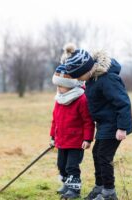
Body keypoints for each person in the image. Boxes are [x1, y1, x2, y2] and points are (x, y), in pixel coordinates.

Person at [61, 43, 132, 200]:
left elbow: (123, 103)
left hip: (114, 125)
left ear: (86, 70)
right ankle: (100, 187)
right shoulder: (92, 79)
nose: (78, 80)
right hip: (103, 124)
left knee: (103, 156)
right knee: (97, 153)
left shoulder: (108, 79)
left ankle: (109, 193)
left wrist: (122, 128)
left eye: (78, 76)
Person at [49, 49, 95, 199]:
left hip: (76, 142)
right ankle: (66, 185)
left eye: (62, 86)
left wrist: (87, 139)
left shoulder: (81, 99)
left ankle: (74, 190)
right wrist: (52, 136)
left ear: (71, 85)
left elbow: (88, 121)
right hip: (61, 140)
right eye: (58, 86)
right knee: (61, 165)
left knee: (71, 166)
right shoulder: (59, 99)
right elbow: (54, 119)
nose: (59, 89)